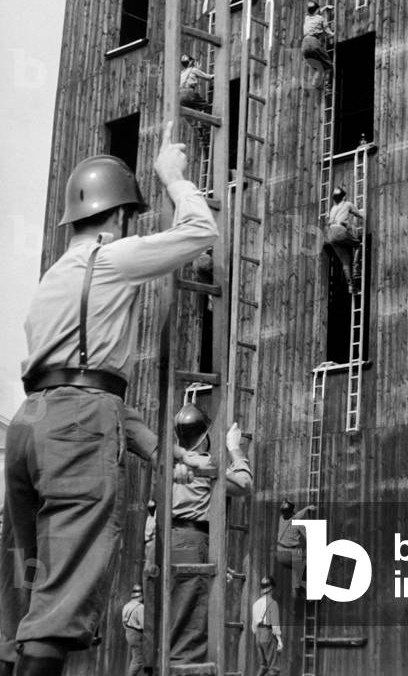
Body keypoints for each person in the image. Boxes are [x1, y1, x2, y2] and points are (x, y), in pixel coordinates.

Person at [0, 124, 218, 676]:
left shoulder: (53, 278)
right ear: (119, 216)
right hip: (77, 429)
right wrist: (174, 178)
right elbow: (200, 230)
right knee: (61, 597)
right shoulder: (112, 258)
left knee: (27, 586)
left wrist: (162, 452)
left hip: (29, 426)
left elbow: (80, 382)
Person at [168, 405, 252, 665]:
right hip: (194, 541)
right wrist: (234, 447)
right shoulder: (203, 462)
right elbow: (244, 484)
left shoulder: (168, 460)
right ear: (205, 437)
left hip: (168, 540)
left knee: (171, 622)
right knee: (192, 624)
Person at [325, 187, 363, 295]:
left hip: (331, 235)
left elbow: (330, 221)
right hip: (339, 231)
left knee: (345, 261)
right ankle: (356, 269)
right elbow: (359, 215)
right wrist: (363, 214)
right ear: (344, 197)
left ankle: (351, 286)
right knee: (357, 245)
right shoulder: (347, 204)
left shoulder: (332, 208)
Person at [275, 500, 316, 597]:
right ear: (291, 512)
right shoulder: (298, 523)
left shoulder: (281, 518)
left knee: (297, 567)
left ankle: (296, 590)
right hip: (290, 555)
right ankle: (309, 593)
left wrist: (306, 509)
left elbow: (295, 516)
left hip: (280, 554)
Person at [251, 575, 283, 676]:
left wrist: (259, 635)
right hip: (267, 634)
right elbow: (275, 625)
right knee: (274, 669)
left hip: (258, 636)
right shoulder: (273, 603)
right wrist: (279, 641)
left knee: (263, 666)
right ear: (271, 589)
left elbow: (253, 627)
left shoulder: (256, 604)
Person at [301, 0, 334, 82]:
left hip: (304, 45)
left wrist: (325, 8)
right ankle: (327, 84)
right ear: (317, 10)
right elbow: (328, 33)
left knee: (317, 66)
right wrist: (334, 33)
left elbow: (315, 13)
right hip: (313, 43)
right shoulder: (321, 19)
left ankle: (317, 82)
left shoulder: (307, 18)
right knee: (328, 65)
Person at [121, 585, 144, 676]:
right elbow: (143, 625)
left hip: (128, 633)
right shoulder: (140, 607)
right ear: (141, 596)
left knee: (135, 659)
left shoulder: (126, 606)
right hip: (136, 634)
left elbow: (123, 622)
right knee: (138, 661)